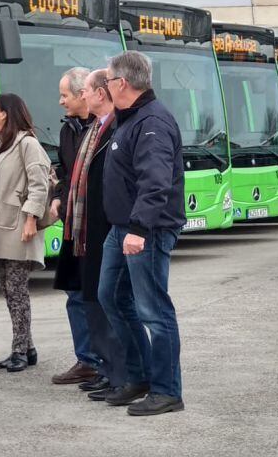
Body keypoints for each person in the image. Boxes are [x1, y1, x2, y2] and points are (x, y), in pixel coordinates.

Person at [100, 51, 186, 416]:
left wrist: (138, 228)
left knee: (153, 309)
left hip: (144, 231)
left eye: (106, 81)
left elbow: (156, 180)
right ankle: (139, 376)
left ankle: (168, 391)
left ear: (121, 83)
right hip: (122, 228)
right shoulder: (130, 119)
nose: (104, 87)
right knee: (112, 297)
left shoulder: (152, 122)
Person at [55, 69, 129, 402]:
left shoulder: (116, 127)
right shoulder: (81, 130)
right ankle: (102, 368)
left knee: (108, 303)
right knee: (87, 300)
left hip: (103, 229)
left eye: (82, 91)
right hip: (81, 229)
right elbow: (68, 173)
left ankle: (118, 373)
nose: (75, 98)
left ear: (99, 93)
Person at [0, 93, 51, 373]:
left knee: (17, 291)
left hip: (19, 229)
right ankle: (27, 347)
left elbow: (39, 183)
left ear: (5, 113)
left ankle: (19, 350)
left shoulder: (27, 144)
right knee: (7, 289)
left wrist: (31, 217)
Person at [50, 67, 102, 386]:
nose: (60, 102)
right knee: (75, 293)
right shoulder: (68, 129)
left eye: (64, 95)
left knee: (100, 295)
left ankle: (105, 362)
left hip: (96, 224)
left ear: (84, 94)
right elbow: (66, 171)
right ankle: (86, 359)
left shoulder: (105, 126)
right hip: (74, 223)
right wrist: (58, 196)